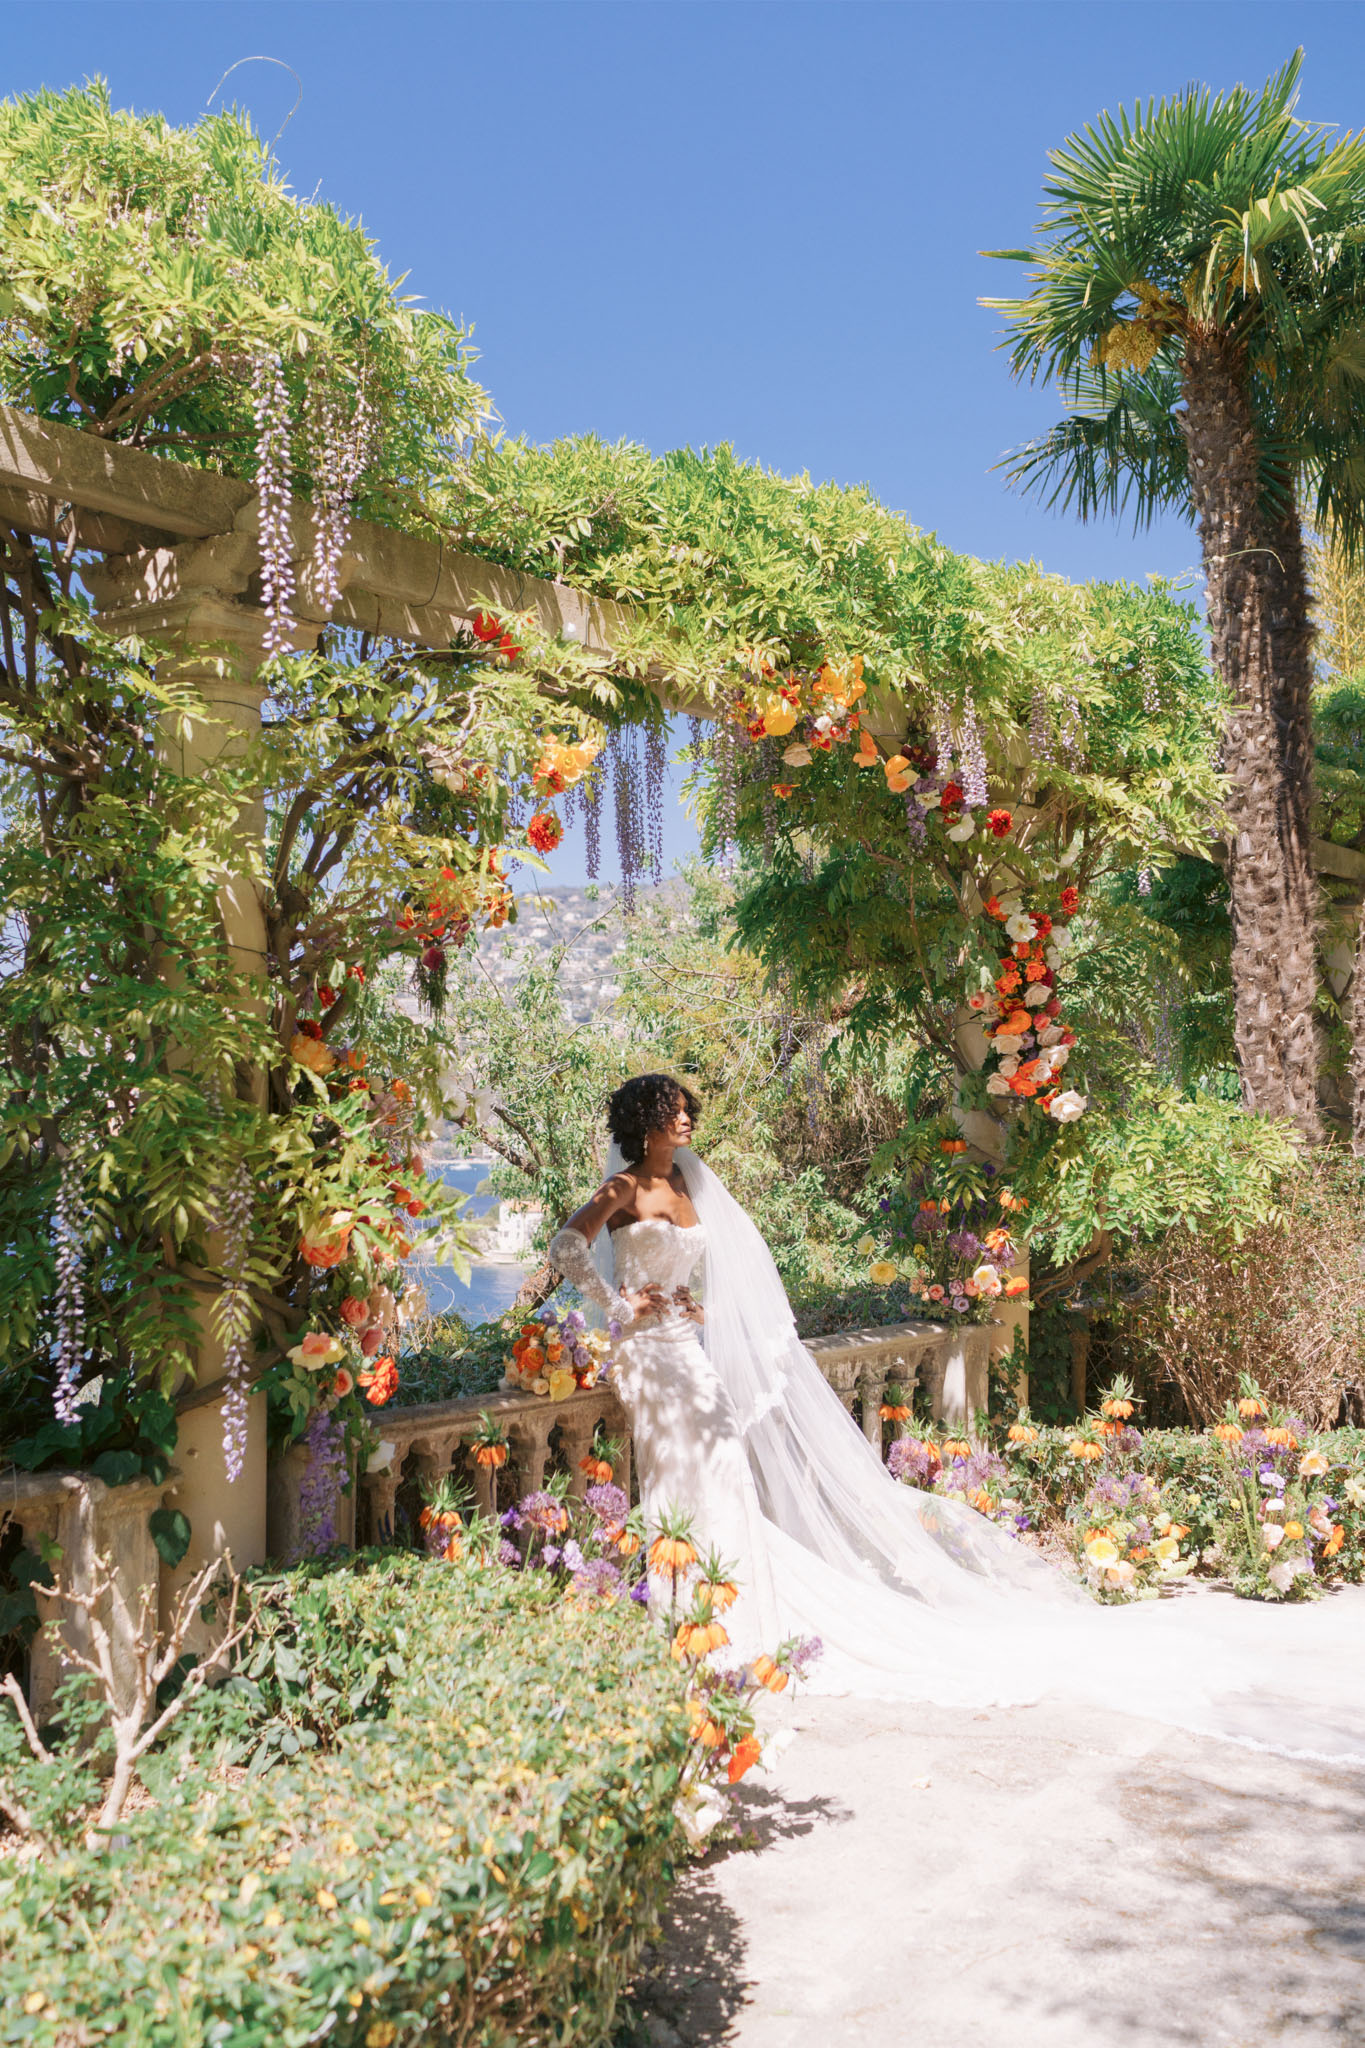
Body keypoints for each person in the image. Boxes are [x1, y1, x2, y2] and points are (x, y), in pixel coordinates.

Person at [549, 1074, 1365, 1763]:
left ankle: (726, 1623)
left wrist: (683, 1300)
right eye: (673, 1109)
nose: (686, 1118)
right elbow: (565, 1248)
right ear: (643, 1122)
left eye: (688, 1108)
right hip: (647, 1356)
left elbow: (718, 1272)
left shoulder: (691, 1186)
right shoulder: (624, 1188)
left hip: (687, 1347)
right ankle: (684, 1623)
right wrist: (615, 1303)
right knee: (679, 1478)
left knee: (722, 1473)